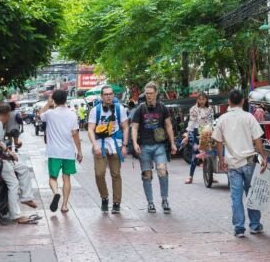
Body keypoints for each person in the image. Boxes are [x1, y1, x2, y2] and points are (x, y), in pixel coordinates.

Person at [212, 89, 267, 238]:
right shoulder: (249, 117)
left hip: (232, 164)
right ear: (243, 101)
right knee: (252, 194)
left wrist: (221, 159)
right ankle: (255, 225)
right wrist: (264, 157)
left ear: (229, 102)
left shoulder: (222, 119)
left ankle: (239, 228)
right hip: (249, 162)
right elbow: (257, 140)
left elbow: (218, 141)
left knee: (236, 197)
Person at [0, 103, 39, 224]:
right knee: (13, 183)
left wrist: (10, 152)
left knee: (23, 168)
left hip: (2, 157)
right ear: (7, 114)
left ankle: (26, 197)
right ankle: (16, 215)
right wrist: (8, 151)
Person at [131, 82, 177, 214]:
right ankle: (150, 202)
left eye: (151, 93)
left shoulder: (162, 108)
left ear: (156, 93)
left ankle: (164, 199)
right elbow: (134, 127)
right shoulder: (140, 108)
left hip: (159, 146)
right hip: (144, 146)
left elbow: (168, 126)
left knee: (162, 171)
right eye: (147, 93)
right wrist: (135, 143)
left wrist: (173, 143)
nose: (149, 96)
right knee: (147, 175)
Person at [39, 90, 83, 213]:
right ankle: (64, 205)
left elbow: (40, 113)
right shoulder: (72, 114)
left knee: (53, 177)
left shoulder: (50, 114)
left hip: (54, 152)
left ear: (54, 100)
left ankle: (55, 192)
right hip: (68, 151)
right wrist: (79, 151)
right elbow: (75, 134)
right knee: (67, 178)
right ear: (66, 99)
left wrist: (48, 103)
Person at [88, 86, 129, 214]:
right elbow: (90, 129)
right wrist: (95, 145)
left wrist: (124, 145)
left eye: (110, 94)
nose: (108, 96)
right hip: (100, 144)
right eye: (106, 94)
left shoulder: (119, 109)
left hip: (115, 144)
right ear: (101, 96)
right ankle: (104, 197)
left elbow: (126, 127)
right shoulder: (96, 110)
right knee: (99, 173)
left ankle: (116, 203)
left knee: (116, 174)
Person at [181, 91, 214, 184]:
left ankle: (210, 175)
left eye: (203, 99)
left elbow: (211, 121)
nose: (201, 101)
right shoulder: (193, 109)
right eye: (200, 99)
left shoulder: (210, 109)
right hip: (196, 133)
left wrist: (211, 130)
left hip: (207, 132)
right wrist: (188, 134)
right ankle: (190, 176)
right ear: (197, 100)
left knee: (208, 154)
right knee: (195, 154)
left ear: (206, 99)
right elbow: (191, 122)